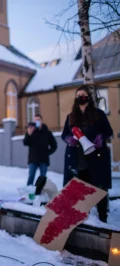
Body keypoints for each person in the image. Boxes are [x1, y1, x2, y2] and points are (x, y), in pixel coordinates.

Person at [61, 85, 113, 223]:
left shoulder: (98, 114)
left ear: (89, 97)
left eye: (83, 95)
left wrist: (101, 138)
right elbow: (64, 134)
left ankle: (102, 220)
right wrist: (68, 139)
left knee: (99, 190)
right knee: (81, 191)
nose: (80, 97)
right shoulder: (71, 117)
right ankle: (86, 220)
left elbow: (109, 131)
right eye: (78, 95)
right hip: (79, 160)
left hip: (96, 159)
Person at [23, 114, 57, 186]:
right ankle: (29, 192)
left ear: (41, 121)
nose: (37, 121)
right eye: (35, 120)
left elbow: (54, 146)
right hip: (33, 159)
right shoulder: (31, 131)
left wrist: (47, 152)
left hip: (43, 159)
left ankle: (40, 192)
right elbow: (25, 143)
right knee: (31, 176)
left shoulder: (47, 133)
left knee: (42, 177)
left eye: (38, 120)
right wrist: (29, 134)